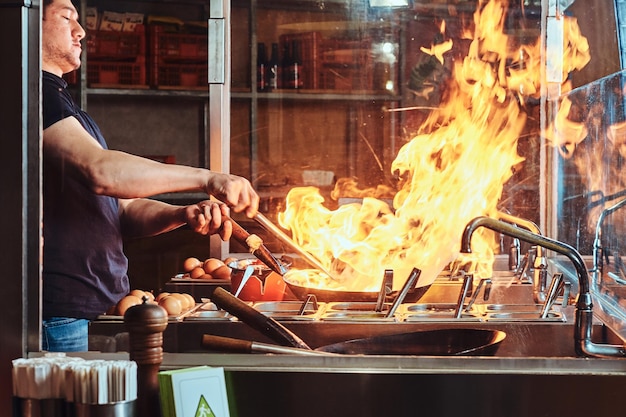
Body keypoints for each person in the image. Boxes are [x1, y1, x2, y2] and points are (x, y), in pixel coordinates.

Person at [41, 0, 259, 351]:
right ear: (26, 26)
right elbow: (102, 173)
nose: (80, 31)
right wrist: (208, 178)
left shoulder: (66, 108)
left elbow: (120, 210)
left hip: (94, 307)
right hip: (59, 313)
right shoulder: (35, 96)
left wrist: (181, 214)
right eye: (66, 18)